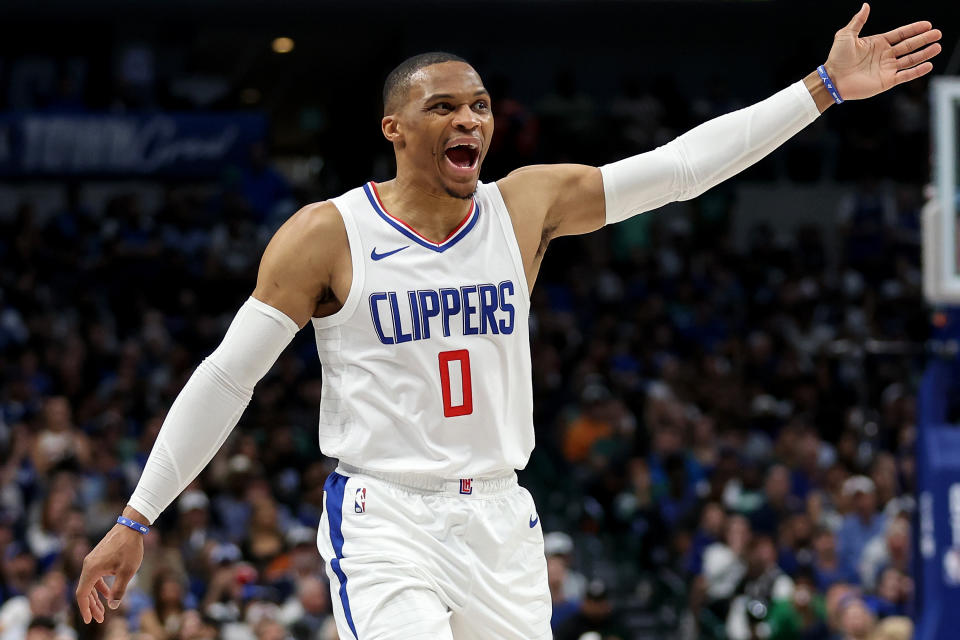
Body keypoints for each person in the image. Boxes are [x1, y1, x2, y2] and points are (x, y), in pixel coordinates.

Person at [75, 5, 941, 638]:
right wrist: (138, 517)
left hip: (500, 515)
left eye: (480, 105)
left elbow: (679, 168)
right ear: (395, 130)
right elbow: (228, 377)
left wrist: (822, 90)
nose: (471, 119)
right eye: (445, 106)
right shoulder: (325, 235)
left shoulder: (525, 206)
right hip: (387, 514)